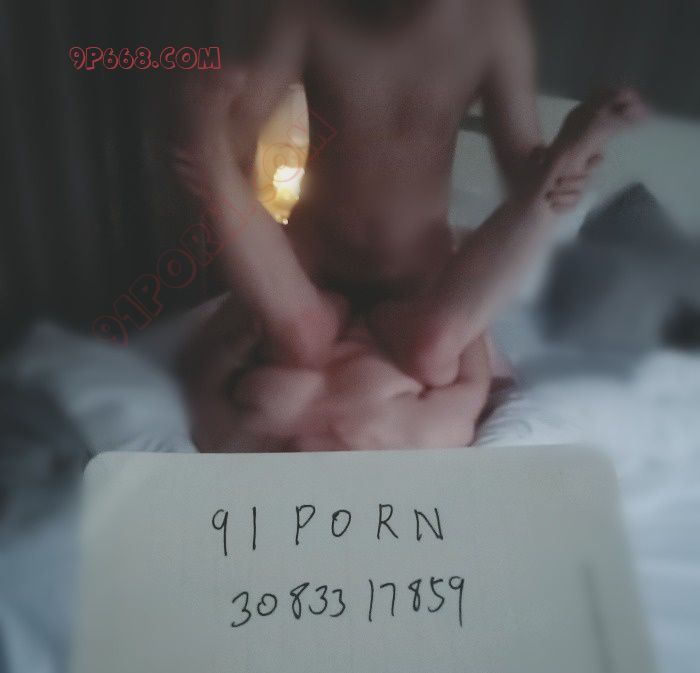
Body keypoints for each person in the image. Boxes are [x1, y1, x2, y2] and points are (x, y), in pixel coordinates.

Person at [171, 0, 645, 451]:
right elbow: (247, 128)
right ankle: (211, 162)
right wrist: (225, 130)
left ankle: (564, 161)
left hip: (419, 277)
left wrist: (553, 182)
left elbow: (519, 168)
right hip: (312, 265)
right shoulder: (307, 10)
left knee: (431, 340)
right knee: (303, 334)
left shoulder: (492, 21)